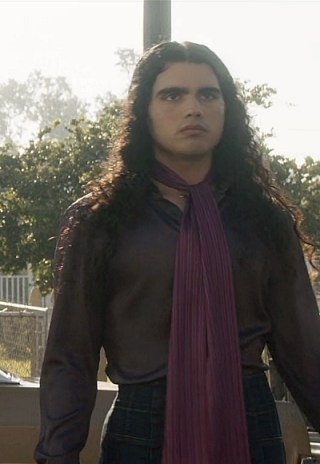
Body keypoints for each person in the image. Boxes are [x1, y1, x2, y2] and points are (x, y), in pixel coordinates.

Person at [35, 41, 320, 464]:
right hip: (141, 429)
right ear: (144, 112)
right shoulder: (100, 219)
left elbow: (304, 348)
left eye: (208, 94)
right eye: (172, 95)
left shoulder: (263, 219)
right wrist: (57, 455)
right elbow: (71, 355)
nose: (193, 108)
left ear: (226, 109)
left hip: (249, 424)